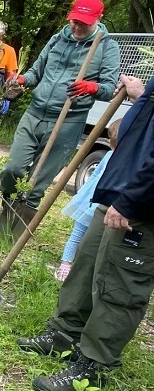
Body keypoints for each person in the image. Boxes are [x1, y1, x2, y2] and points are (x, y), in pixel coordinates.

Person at [18, 75, 154, 391]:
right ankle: (64, 333)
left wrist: (135, 198)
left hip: (143, 199)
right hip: (121, 184)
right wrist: (145, 91)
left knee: (120, 284)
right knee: (88, 262)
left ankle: (93, 366)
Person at [0, 0, 120, 233]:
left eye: (84, 23)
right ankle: (6, 211)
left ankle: (16, 227)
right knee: (13, 169)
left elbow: (109, 89)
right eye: (75, 21)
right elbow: (36, 72)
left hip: (68, 121)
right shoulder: (57, 39)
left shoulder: (106, 47)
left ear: (98, 19)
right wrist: (21, 80)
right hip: (35, 113)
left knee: (37, 183)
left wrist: (92, 88)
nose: (78, 27)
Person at [53, 120, 120, 281]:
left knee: (95, 240)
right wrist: (84, 196)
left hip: (107, 206)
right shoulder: (109, 155)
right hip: (91, 203)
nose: (112, 142)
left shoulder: (128, 161)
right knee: (77, 234)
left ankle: (86, 268)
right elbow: (95, 176)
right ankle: (65, 264)